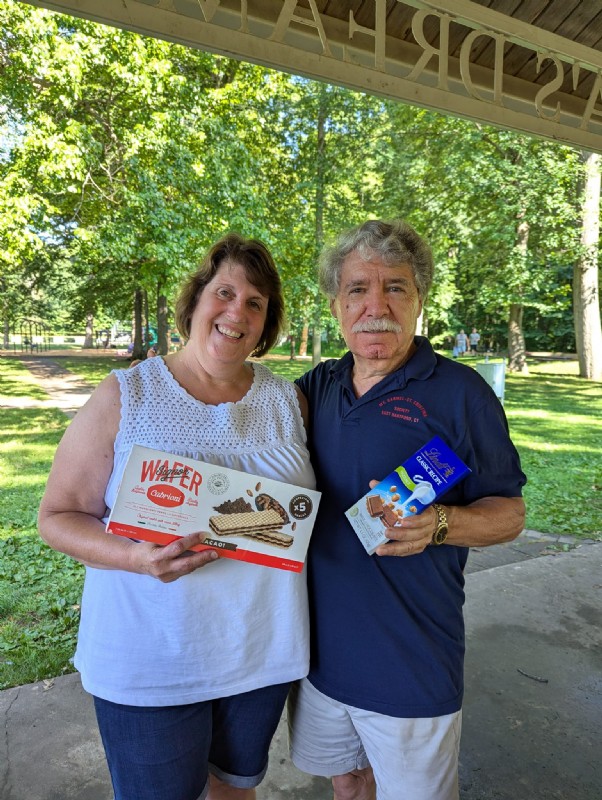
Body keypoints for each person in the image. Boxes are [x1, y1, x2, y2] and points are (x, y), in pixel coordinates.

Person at [38, 233, 315, 800]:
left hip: (260, 653)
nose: (237, 312)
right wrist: (135, 559)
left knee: (235, 792)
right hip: (151, 661)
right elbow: (58, 516)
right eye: (225, 293)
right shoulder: (127, 394)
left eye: (255, 302)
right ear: (195, 301)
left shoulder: (289, 402)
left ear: (267, 322)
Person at [287, 219, 526, 800]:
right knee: (348, 783)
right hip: (318, 660)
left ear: (419, 299)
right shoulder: (317, 386)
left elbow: (511, 513)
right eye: (357, 289)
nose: (377, 306)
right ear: (336, 306)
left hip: (412, 661)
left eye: (395, 287)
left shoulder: (462, 394)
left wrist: (440, 524)